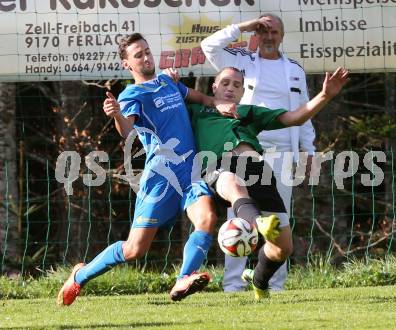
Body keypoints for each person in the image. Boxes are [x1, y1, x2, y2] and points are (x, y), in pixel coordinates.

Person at [56, 33, 241, 306]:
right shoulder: (131, 94)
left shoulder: (169, 81)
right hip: (161, 178)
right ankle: (79, 276)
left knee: (207, 218)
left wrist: (218, 103)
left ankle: (183, 278)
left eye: (147, 51)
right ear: (127, 65)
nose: (145, 58)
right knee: (134, 249)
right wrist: (117, 113)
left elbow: (198, 97)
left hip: (189, 172)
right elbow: (127, 130)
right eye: (138, 55)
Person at [167, 65, 348, 299]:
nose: (231, 88)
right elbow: (169, 98)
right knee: (232, 182)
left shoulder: (250, 112)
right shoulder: (198, 109)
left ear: (243, 91)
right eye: (225, 83)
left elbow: (294, 117)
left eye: (237, 85)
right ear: (214, 86)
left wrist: (325, 95)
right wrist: (171, 81)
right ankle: (257, 221)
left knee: (283, 248)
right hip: (216, 164)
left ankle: (259, 279)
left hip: (258, 172)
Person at [201, 13, 317, 292]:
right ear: (256, 33)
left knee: (279, 219)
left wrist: (308, 150)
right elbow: (209, 46)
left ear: (282, 35)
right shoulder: (241, 63)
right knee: (239, 217)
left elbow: (302, 114)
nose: (268, 36)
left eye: (273, 31)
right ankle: (232, 285)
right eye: (263, 31)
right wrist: (243, 27)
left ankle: (273, 285)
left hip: (283, 152)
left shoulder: (295, 70)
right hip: (246, 149)